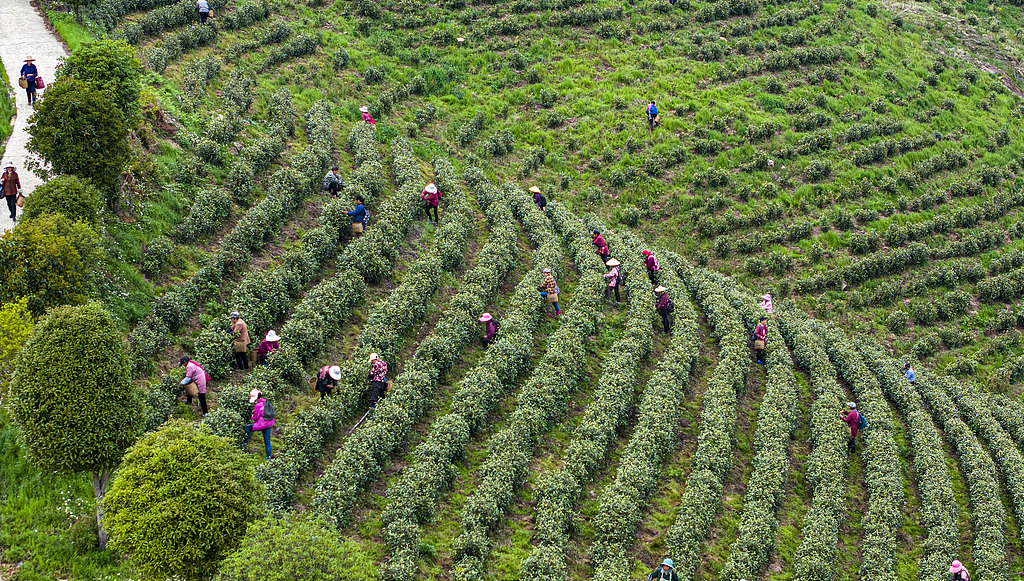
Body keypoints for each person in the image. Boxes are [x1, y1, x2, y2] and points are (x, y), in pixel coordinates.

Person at [243, 389, 274, 460]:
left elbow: (255, 418)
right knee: (267, 440)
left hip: (262, 424)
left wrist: (252, 416)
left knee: (248, 428)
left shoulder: (258, 405)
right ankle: (269, 456)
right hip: (269, 423)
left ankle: (243, 446)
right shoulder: (266, 401)